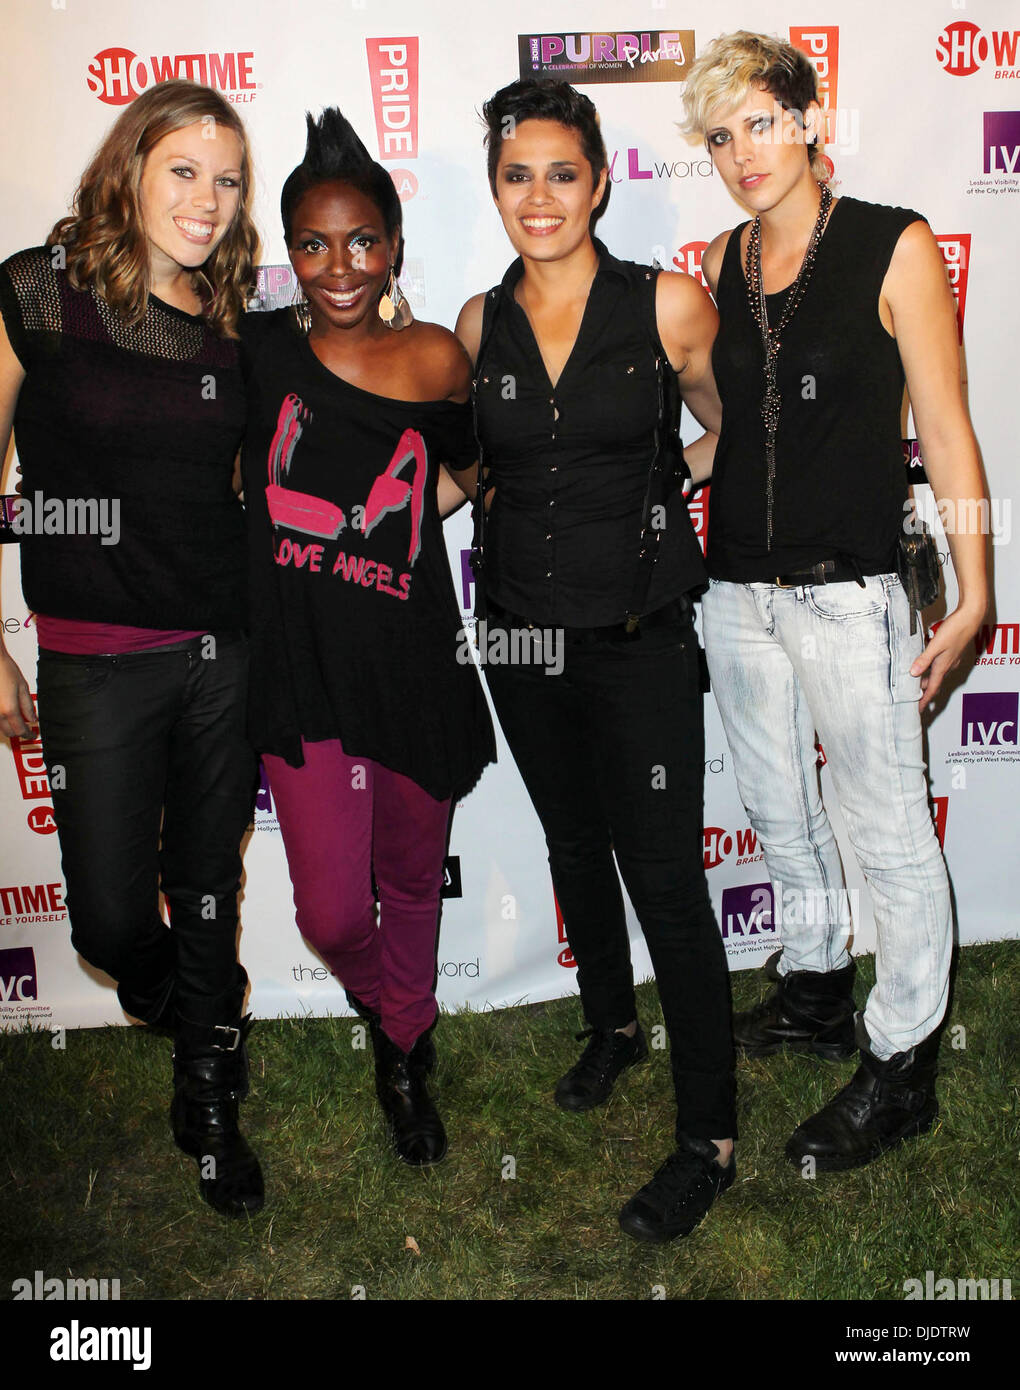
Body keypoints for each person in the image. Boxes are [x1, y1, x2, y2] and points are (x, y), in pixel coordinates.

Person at [681, 31, 989, 1170]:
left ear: (810, 119)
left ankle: (901, 1065)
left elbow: (944, 426)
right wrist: (657, 471)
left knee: (889, 834)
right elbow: (744, 426)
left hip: (850, 594)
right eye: (722, 136)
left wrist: (977, 590)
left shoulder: (892, 243)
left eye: (761, 122)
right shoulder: (723, 258)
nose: (743, 153)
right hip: (737, 590)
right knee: (777, 808)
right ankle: (814, 987)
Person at [453, 78, 735, 1242]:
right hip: (519, 636)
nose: (541, 196)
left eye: (561, 173)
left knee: (664, 875)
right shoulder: (479, 326)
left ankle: (709, 1139)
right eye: (517, 175)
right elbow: (473, 467)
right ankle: (613, 1025)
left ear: (601, 182)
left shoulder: (667, 305)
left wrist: (666, 492)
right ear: (495, 188)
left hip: (640, 641)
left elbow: (726, 423)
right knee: (574, 839)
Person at [0, 81, 264, 1214]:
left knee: (205, 878)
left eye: (228, 180)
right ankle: (202, 1004)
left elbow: (246, 487)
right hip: (97, 656)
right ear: (131, 170)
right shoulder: (38, 292)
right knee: (111, 919)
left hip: (221, 649)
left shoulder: (234, 322)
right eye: (184, 171)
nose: (208, 199)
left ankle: (208, 1090)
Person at [241, 109, 495, 1166]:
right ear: (288, 251)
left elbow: (476, 468)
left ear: (392, 244)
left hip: (412, 658)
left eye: (360, 241)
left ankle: (404, 1050)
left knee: (411, 875)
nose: (338, 267)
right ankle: (392, 1008)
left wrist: (405, 524)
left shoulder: (433, 356)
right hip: (299, 669)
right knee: (336, 913)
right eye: (313, 243)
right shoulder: (255, 353)